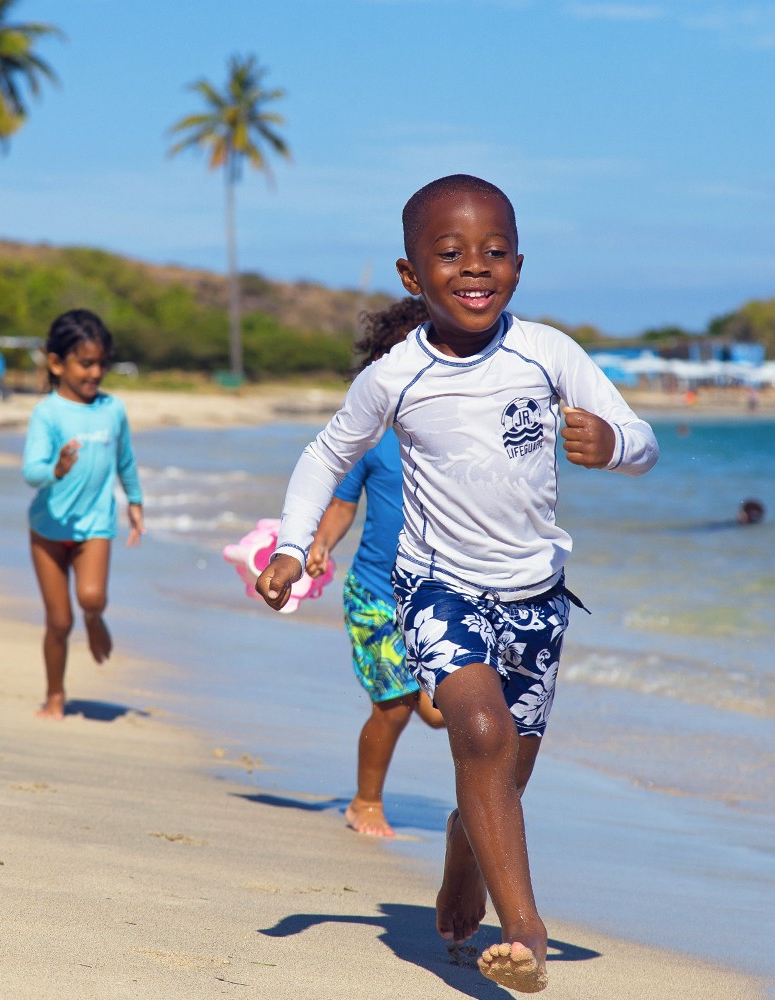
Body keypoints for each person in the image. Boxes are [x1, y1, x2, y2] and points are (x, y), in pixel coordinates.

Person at [254, 175, 659, 993]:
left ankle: (462, 849)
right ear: (412, 275)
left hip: (538, 598)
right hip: (437, 589)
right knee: (478, 731)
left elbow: (644, 440)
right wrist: (294, 548)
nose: (476, 268)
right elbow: (326, 456)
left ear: (519, 263)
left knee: (506, 773)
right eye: (450, 254)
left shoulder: (548, 352)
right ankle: (527, 930)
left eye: (495, 251)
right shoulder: (394, 377)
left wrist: (611, 441)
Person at [306, 296, 445, 840]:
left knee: (438, 712)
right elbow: (343, 503)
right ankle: (365, 801)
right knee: (394, 706)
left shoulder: (450, 437)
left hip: (437, 597)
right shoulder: (369, 436)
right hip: (375, 596)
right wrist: (318, 545)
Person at [22, 310, 145, 721]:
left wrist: (136, 501)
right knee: (58, 622)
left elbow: (125, 459)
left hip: (94, 524)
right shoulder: (48, 413)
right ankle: (54, 694)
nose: (96, 372)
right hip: (47, 529)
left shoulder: (113, 410)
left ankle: (95, 618)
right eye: (86, 363)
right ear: (57, 364)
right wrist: (54, 470)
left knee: (91, 597)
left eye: (101, 363)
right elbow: (30, 471)